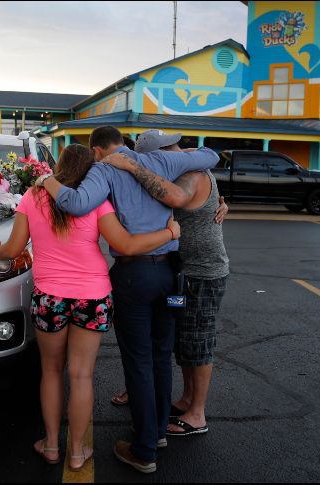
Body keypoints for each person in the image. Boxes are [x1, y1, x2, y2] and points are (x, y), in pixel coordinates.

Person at [0, 143, 181, 473]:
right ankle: (76, 452)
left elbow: (13, 250)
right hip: (92, 296)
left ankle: (51, 446)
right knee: (82, 375)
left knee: (51, 371)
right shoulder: (97, 202)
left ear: (59, 166)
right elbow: (126, 245)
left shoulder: (34, 195)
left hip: (50, 297)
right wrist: (169, 232)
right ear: (90, 171)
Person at [38, 126, 219, 473]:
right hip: (169, 273)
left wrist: (48, 181)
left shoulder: (103, 169)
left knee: (138, 361)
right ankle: (157, 431)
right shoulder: (160, 160)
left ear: (98, 150)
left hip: (134, 274)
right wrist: (174, 159)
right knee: (161, 355)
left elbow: (75, 204)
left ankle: (145, 449)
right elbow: (210, 155)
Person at [101, 129, 229, 438]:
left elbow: (175, 197)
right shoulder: (178, 172)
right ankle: (182, 399)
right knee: (181, 341)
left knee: (198, 342)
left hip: (203, 272)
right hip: (179, 272)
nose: (179, 151)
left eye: (176, 146)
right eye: (171, 147)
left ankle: (196, 413)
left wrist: (132, 167)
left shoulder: (191, 174)